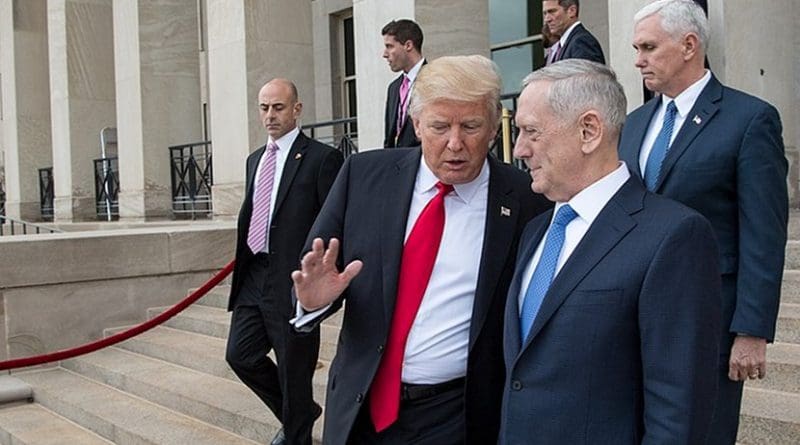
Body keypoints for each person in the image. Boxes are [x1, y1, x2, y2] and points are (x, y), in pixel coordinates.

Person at [290, 55, 552, 445]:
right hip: (360, 406)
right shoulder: (363, 176)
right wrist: (311, 303)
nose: (455, 143)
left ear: (495, 127)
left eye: (471, 126)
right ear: (416, 124)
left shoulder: (527, 202)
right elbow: (318, 270)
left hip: (455, 415)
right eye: (440, 126)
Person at [502, 58, 722, 443]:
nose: (519, 148)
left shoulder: (672, 236)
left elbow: (678, 410)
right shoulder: (537, 231)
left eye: (531, 132)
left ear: (588, 130)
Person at [619, 1, 788, 443]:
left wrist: (751, 330)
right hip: (635, 314)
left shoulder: (749, 119)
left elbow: (763, 234)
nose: (638, 59)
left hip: (710, 317)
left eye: (649, 47)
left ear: (689, 45)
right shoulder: (634, 126)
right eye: (637, 48)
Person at [225, 78, 344, 445]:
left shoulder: (322, 159)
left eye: (278, 107)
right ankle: (300, 413)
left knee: (295, 373)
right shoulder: (254, 161)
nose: (270, 115)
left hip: (294, 281)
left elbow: (336, 220)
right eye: (264, 108)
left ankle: (298, 432)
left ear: (297, 109)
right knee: (240, 355)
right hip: (254, 275)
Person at [382, 19, 425, 148]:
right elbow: (389, 139)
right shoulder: (393, 88)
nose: (384, 54)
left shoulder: (434, 80)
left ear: (408, 45)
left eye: (389, 46)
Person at [542, 0, 605, 65]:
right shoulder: (567, 43)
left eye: (552, 11)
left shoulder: (581, 42)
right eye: (545, 13)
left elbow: (588, 74)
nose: (547, 19)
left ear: (572, 11)